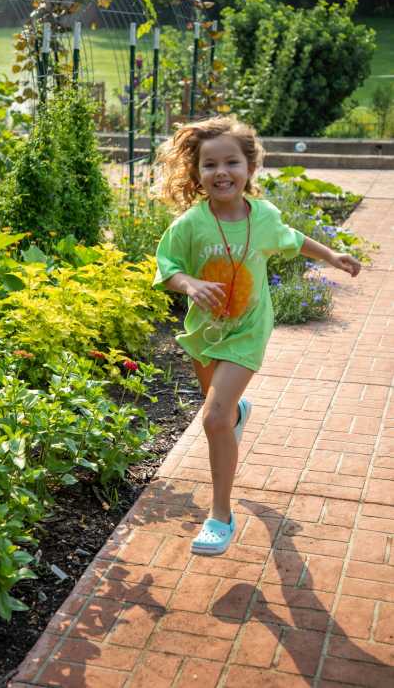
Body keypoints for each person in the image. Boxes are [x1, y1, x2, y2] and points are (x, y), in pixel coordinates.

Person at [152, 115, 361, 556]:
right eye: (209, 165)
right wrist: (189, 284)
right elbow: (167, 266)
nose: (221, 172)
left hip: (247, 331)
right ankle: (237, 414)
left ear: (249, 169)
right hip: (205, 332)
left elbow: (293, 238)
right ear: (197, 174)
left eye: (231, 162)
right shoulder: (191, 224)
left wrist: (331, 254)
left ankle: (220, 516)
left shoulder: (262, 217)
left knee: (212, 420)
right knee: (223, 413)